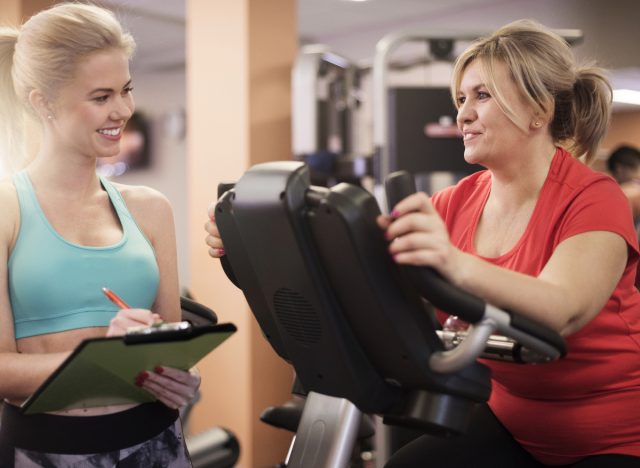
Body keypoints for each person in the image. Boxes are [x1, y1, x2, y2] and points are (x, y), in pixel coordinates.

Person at [204, 19, 640, 468]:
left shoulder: (594, 197)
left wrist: (452, 263)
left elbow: (563, 308)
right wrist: (257, 250)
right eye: (461, 99)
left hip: (615, 435)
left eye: (482, 96)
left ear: (539, 110)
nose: (463, 113)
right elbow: (361, 282)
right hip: (515, 423)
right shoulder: (452, 204)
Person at [0, 3, 198, 466]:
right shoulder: (5, 208)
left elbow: (172, 344)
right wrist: (104, 359)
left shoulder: (150, 208)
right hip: (47, 450)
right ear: (41, 102)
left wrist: (178, 377)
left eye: (126, 91)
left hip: (157, 441)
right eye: (101, 96)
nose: (123, 110)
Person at [607, 145, 640, 231]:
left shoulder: (605, 192)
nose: (638, 175)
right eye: (635, 170)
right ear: (620, 168)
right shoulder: (630, 193)